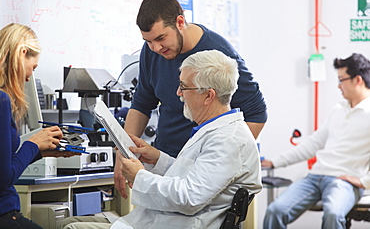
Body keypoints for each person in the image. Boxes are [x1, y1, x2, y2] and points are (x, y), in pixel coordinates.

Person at [59, 50, 262, 229]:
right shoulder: (217, 132)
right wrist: (158, 159)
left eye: (184, 87)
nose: (178, 93)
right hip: (164, 220)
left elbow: (189, 198)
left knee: (71, 228)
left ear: (208, 96)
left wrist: (139, 176)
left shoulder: (228, 140)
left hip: (178, 223)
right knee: (67, 223)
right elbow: (197, 179)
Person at [115, 0, 267, 199]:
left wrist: (218, 165)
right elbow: (142, 102)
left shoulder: (219, 54)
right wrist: (124, 153)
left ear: (180, 22)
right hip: (163, 163)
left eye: (160, 38)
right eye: (148, 41)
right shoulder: (151, 50)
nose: (155, 48)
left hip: (201, 170)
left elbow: (257, 112)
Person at [262, 53, 370, 229]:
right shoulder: (338, 110)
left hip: (343, 181)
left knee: (333, 214)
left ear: (358, 80)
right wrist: (275, 162)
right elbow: (312, 145)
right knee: (275, 210)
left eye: (341, 80)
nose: (338, 86)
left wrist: (364, 182)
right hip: (315, 176)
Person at [0, 23, 76, 229]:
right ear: (21, 53)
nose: (28, 77)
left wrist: (41, 151)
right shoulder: (1, 100)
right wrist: (32, 145)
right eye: (32, 68)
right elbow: (3, 178)